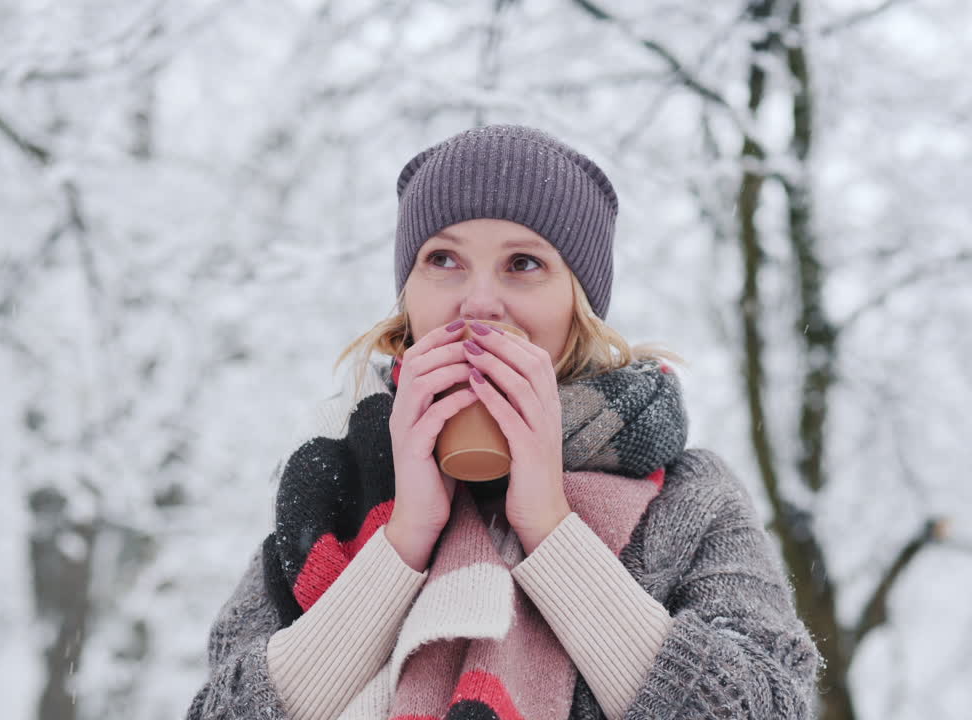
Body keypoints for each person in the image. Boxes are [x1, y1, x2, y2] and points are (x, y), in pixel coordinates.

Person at [185, 124, 824, 720]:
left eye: (524, 264)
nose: (479, 303)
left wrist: (551, 529)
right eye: (443, 259)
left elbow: (768, 706)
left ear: (578, 304)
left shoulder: (689, 498)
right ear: (407, 296)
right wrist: (404, 540)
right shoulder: (329, 486)